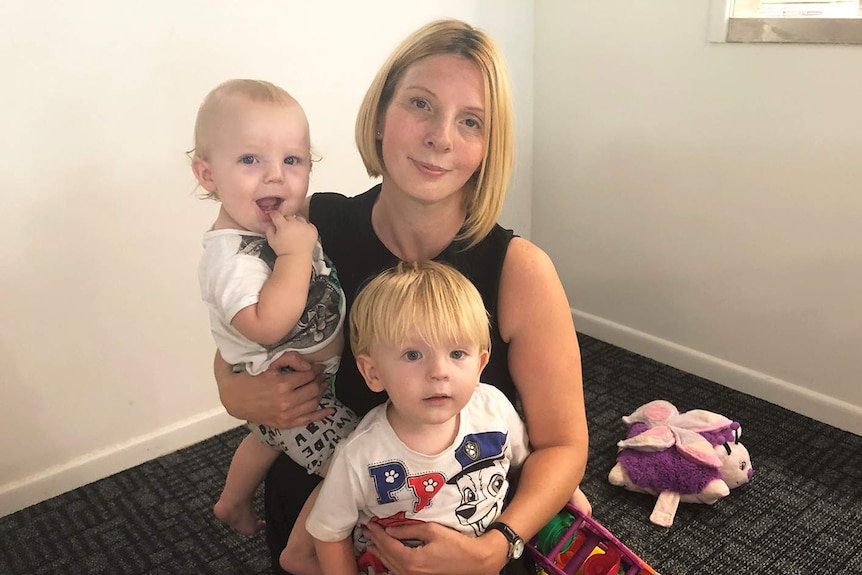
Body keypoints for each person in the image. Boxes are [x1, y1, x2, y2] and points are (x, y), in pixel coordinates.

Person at [215, 18, 590, 575]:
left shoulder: (520, 271)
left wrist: (499, 545)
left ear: (489, 147)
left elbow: (563, 444)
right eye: (420, 105)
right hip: (324, 531)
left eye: (470, 122)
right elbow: (234, 355)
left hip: (469, 534)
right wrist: (239, 396)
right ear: (381, 113)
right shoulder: (308, 231)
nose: (441, 136)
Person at [308, 261, 585, 575]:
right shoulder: (360, 455)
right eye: (413, 355)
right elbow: (328, 532)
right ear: (373, 373)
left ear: (480, 364)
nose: (439, 372)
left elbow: (524, 460)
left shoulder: (493, 408)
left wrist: (564, 490)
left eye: (456, 354)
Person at [191, 79, 359, 547]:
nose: (275, 176)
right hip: (300, 393)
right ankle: (305, 552)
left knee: (265, 436)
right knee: (352, 467)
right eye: (250, 159)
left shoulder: (276, 224)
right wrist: (295, 256)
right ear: (207, 175)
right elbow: (265, 324)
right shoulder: (233, 258)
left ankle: (233, 500)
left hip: (302, 380)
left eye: (292, 160)